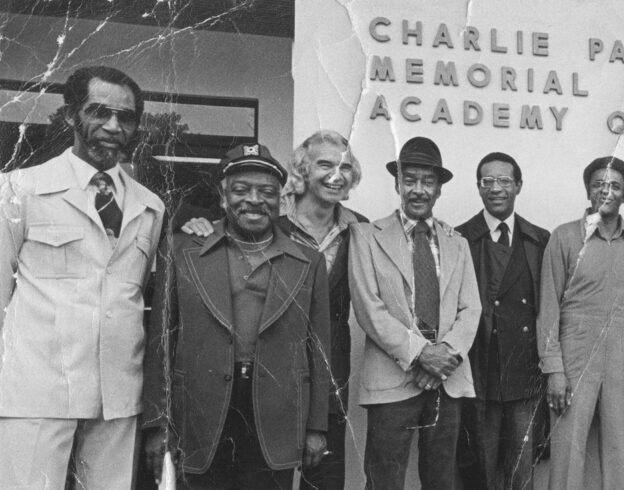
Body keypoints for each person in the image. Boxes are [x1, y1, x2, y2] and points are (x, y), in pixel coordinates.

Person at [0, 65, 165, 488]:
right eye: (98, 111)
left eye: (125, 117)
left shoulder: (150, 206)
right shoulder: (19, 189)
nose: (113, 126)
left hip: (117, 394)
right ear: (72, 114)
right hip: (36, 389)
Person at [180, 130, 367, 490]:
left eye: (345, 167)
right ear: (302, 170)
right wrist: (190, 221)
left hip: (328, 374)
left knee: (323, 478)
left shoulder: (361, 229)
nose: (336, 175)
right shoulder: (267, 220)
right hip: (262, 376)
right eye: (325, 165)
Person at [142, 142, 331, 488]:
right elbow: (161, 341)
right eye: (241, 190)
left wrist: (317, 427)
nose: (254, 200)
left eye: (267, 192)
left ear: (281, 200)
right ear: (223, 197)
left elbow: (319, 351)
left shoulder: (310, 261)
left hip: (276, 415)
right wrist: (157, 423)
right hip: (199, 414)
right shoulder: (182, 250)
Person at [348, 136, 481, 489]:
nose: (418, 190)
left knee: (441, 480)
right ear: (397, 184)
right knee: (385, 481)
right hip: (391, 381)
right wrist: (424, 355)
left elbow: (471, 308)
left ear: (439, 189)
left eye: (427, 182)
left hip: (446, 381)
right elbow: (369, 309)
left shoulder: (457, 242)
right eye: (410, 180)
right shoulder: (366, 236)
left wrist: (444, 356)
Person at [538, 156, 624, 490]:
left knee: (620, 451)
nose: (606, 192)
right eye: (598, 185)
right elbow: (548, 309)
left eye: (615, 186)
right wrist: (554, 370)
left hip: (621, 356)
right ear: (588, 191)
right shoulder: (563, 237)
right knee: (567, 451)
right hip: (574, 356)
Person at [455, 152, 550, 490]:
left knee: (522, 471)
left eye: (504, 181)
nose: (496, 188)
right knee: (477, 468)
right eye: (488, 181)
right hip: (478, 371)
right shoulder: (459, 238)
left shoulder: (540, 240)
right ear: (478, 187)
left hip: (525, 375)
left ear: (518, 186)